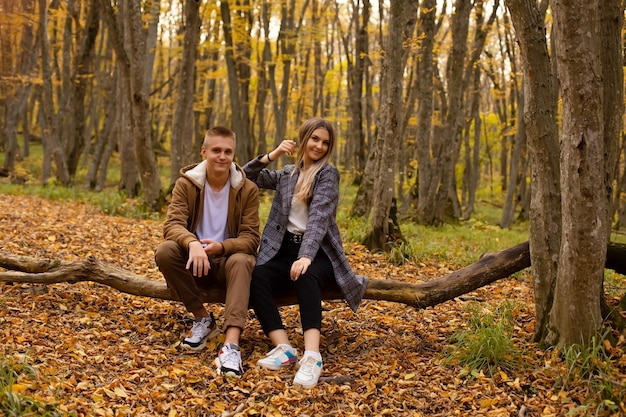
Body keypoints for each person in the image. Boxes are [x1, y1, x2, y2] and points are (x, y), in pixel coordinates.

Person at [242, 117, 368, 389]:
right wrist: (273, 154)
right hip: (284, 249)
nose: (319, 146)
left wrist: (306, 256)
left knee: (306, 275)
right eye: (315, 139)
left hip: (318, 252)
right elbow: (246, 175)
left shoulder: (328, 174)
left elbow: (319, 219)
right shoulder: (288, 173)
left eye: (325, 142)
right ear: (303, 138)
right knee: (258, 276)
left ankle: (312, 356)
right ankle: (285, 349)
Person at [155, 126, 260, 378]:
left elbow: (251, 238)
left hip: (227, 264)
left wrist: (222, 247)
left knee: (243, 259)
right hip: (195, 261)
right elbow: (172, 225)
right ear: (204, 152)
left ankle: (231, 345)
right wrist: (192, 243)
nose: (222, 156)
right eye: (216, 150)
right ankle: (202, 319)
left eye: (228, 151)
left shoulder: (247, 190)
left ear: (233, 154)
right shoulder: (186, 184)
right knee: (166, 251)